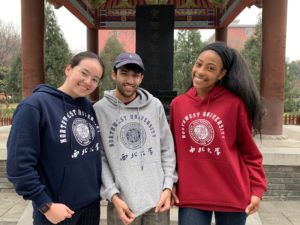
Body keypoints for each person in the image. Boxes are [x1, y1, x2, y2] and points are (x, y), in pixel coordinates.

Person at [170, 41, 267, 225]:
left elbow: (249, 152)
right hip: (192, 194)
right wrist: (171, 182)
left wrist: (257, 189)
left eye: (210, 68)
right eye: (198, 64)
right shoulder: (178, 104)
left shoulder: (235, 104)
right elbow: (173, 150)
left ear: (222, 74)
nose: (200, 71)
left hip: (232, 192)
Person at [6, 51, 105, 225]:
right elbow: (18, 166)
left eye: (95, 79)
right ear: (68, 69)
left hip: (90, 207)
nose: (88, 82)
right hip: (57, 211)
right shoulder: (35, 106)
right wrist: (45, 205)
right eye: (84, 73)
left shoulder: (88, 108)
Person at [93, 52, 177, 225]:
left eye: (135, 75)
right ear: (114, 74)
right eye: (124, 73)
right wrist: (112, 195)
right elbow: (100, 157)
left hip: (157, 199)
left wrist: (168, 186)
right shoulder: (99, 110)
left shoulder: (154, 106)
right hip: (121, 202)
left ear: (141, 78)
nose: (130, 80)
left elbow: (167, 149)